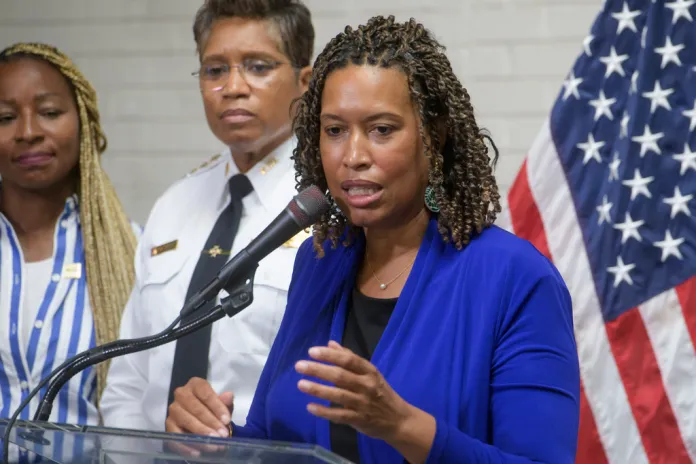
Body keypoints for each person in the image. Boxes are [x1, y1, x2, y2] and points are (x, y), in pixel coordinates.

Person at [165, 15, 582, 464]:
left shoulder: (516, 278)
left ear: (434, 136)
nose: (353, 156)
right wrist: (216, 436)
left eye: (382, 129)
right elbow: (275, 435)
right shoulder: (320, 260)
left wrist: (402, 426)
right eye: (334, 131)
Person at [100, 0, 314, 434]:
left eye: (257, 66)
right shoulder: (174, 204)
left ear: (304, 82)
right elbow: (128, 382)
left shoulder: (327, 204)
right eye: (215, 70)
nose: (233, 87)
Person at [0, 43, 139, 461]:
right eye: (5, 118)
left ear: (83, 120)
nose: (28, 131)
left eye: (49, 112)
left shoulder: (131, 254)